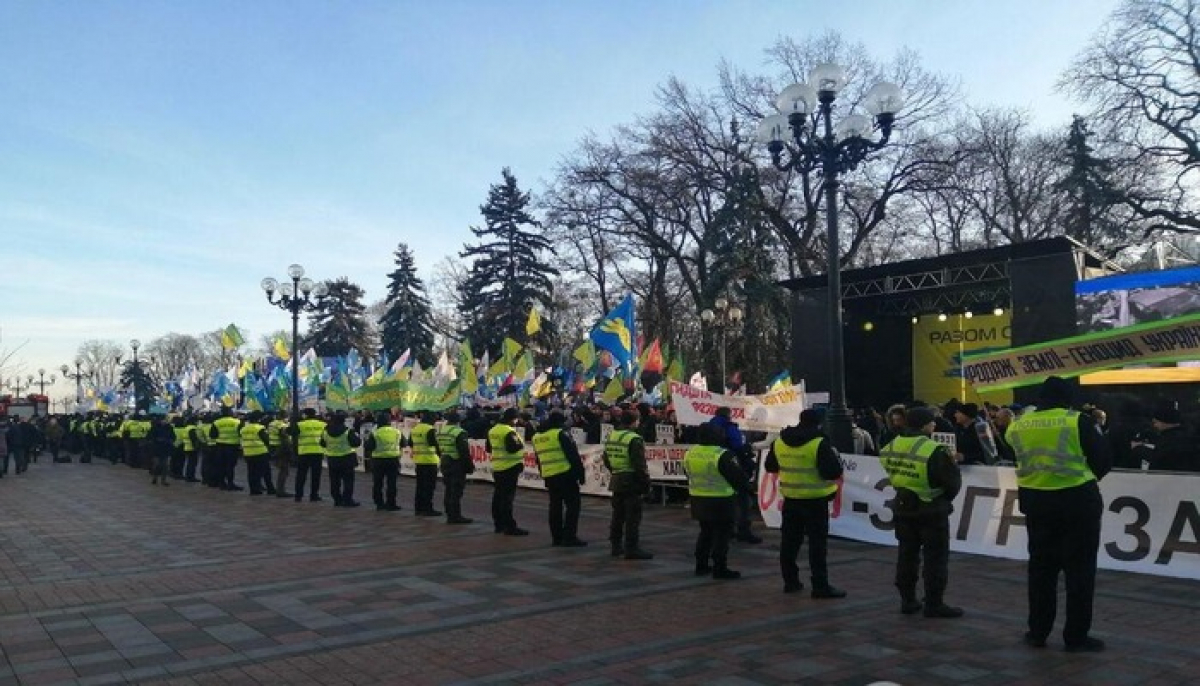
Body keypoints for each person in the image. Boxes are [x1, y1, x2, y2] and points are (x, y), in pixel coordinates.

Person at [1007, 376, 1111, 652]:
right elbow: (1102, 460)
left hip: (1036, 503)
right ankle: (1076, 636)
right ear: (1067, 397)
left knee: (1041, 571)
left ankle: (1037, 631)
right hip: (1077, 502)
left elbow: (1016, 455)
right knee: (1080, 572)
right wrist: (1086, 479)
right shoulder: (1077, 421)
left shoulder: (1018, 424)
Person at [879, 407, 964, 618]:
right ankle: (934, 603)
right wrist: (942, 498)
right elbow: (952, 482)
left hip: (902, 507)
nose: (934, 425)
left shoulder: (891, 445)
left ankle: (908, 600)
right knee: (935, 558)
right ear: (925, 425)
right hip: (931, 509)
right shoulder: (934, 449)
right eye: (932, 422)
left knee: (907, 555)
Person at [764, 409, 846, 598]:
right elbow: (832, 472)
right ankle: (820, 585)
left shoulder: (780, 441)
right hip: (816, 500)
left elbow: (770, 467)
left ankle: (790, 581)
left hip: (791, 499)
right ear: (819, 423)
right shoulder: (819, 443)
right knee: (817, 545)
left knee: (789, 543)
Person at [684, 423, 754, 579]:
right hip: (721, 500)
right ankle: (719, 568)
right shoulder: (722, 454)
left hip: (698, 498)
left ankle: (701, 565)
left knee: (705, 533)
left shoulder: (690, 452)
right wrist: (749, 487)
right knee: (722, 536)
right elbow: (738, 477)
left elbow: (687, 473)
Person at [708, 407, 762, 544]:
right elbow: (737, 445)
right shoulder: (729, 427)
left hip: (714, 467)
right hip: (731, 464)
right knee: (743, 500)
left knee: (724, 502)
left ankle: (726, 530)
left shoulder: (709, 426)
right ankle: (743, 530)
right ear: (728, 415)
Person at [533, 410, 587, 547]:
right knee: (573, 506)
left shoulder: (537, 437)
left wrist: (543, 473)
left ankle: (556, 537)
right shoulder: (560, 434)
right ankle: (569, 536)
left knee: (555, 506)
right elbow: (573, 456)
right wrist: (580, 474)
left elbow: (538, 459)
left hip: (550, 475)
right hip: (565, 474)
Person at [604, 411, 653, 560]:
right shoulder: (634, 439)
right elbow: (639, 465)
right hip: (631, 480)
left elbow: (606, 458)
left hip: (617, 478)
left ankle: (616, 545)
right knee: (632, 517)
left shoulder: (611, 436)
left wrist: (615, 469)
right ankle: (631, 548)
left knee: (618, 515)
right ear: (633, 422)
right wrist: (646, 484)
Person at [489, 408, 529, 535]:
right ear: (512, 418)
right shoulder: (508, 431)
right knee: (507, 499)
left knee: (498, 497)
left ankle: (498, 524)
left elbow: (488, 448)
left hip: (498, 467)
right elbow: (513, 448)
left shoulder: (493, 430)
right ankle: (509, 526)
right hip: (510, 467)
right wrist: (521, 445)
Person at [436, 411, 474, 524]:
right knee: (456, 491)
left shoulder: (441, 431)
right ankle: (455, 516)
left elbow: (439, 448)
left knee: (448, 490)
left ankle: (449, 514)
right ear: (458, 421)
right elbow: (464, 451)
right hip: (456, 463)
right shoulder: (459, 432)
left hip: (445, 461)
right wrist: (469, 466)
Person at [1145, 401, 1199, 472]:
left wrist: (1140, 449)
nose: (1155, 425)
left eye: (1156, 422)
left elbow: (1161, 458)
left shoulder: (1172, 440)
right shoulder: (1186, 436)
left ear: (1165, 421)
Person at [322, 411, 362, 507]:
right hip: (347, 458)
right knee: (348, 481)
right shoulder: (347, 431)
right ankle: (347, 500)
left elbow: (322, 443)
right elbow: (356, 443)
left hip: (332, 459)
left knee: (334, 481)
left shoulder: (326, 431)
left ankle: (337, 499)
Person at [366, 411, 402, 511]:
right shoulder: (396, 431)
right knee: (392, 483)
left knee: (378, 483)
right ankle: (391, 503)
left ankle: (379, 504)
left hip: (378, 460)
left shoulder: (375, 433)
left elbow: (368, 446)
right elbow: (404, 442)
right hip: (393, 460)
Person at [409, 412, 442, 516]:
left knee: (420, 486)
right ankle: (428, 508)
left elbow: (410, 443)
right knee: (429, 487)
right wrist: (440, 453)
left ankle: (418, 508)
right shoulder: (430, 429)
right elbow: (434, 444)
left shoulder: (415, 429)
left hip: (419, 460)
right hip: (429, 460)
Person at [293, 408, 326, 502]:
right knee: (316, 476)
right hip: (318, 452)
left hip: (304, 452)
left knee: (301, 475)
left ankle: (298, 495)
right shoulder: (322, 424)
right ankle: (314, 495)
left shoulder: (300, 424)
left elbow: (292, 433)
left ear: (305, 415)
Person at [208, 407, 243, 491]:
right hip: (232, 446)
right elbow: (241, 433)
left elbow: (212, 435)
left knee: (221, 465)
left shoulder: (216, 422)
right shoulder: (237, 422)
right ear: (230, 413)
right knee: (230, 466)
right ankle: (230, 484)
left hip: (220, 446)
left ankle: (222, 483)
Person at [240, 412, 274, 496]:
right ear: (258, 419)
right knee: (266, 472)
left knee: (251, 472)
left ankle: (254, 490)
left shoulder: (244, 429)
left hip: (248, 452)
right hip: (260, 452)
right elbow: (266, 440)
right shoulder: (259, 428)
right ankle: (270, 488)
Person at [268, 411, 293, 498]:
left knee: (282, 469)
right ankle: (281, 491)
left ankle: (280, 490)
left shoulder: (271, 424)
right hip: (281, 449)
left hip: (273, 447)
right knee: (284, 470)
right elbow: (285, 439)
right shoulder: (282, 425)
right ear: (285, 417)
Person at [147, 415, 175, 487]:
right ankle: (155, 478)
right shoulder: (155, 427)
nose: (165, 421)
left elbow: (173, 436)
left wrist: (170, 441)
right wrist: (156, 440)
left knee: (165, 465)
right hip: (157, 448)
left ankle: (163, 480)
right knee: (157, 464)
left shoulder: (169, 427)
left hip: (166, 448)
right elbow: (150, 437)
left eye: (166, 420)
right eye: (163, 420)